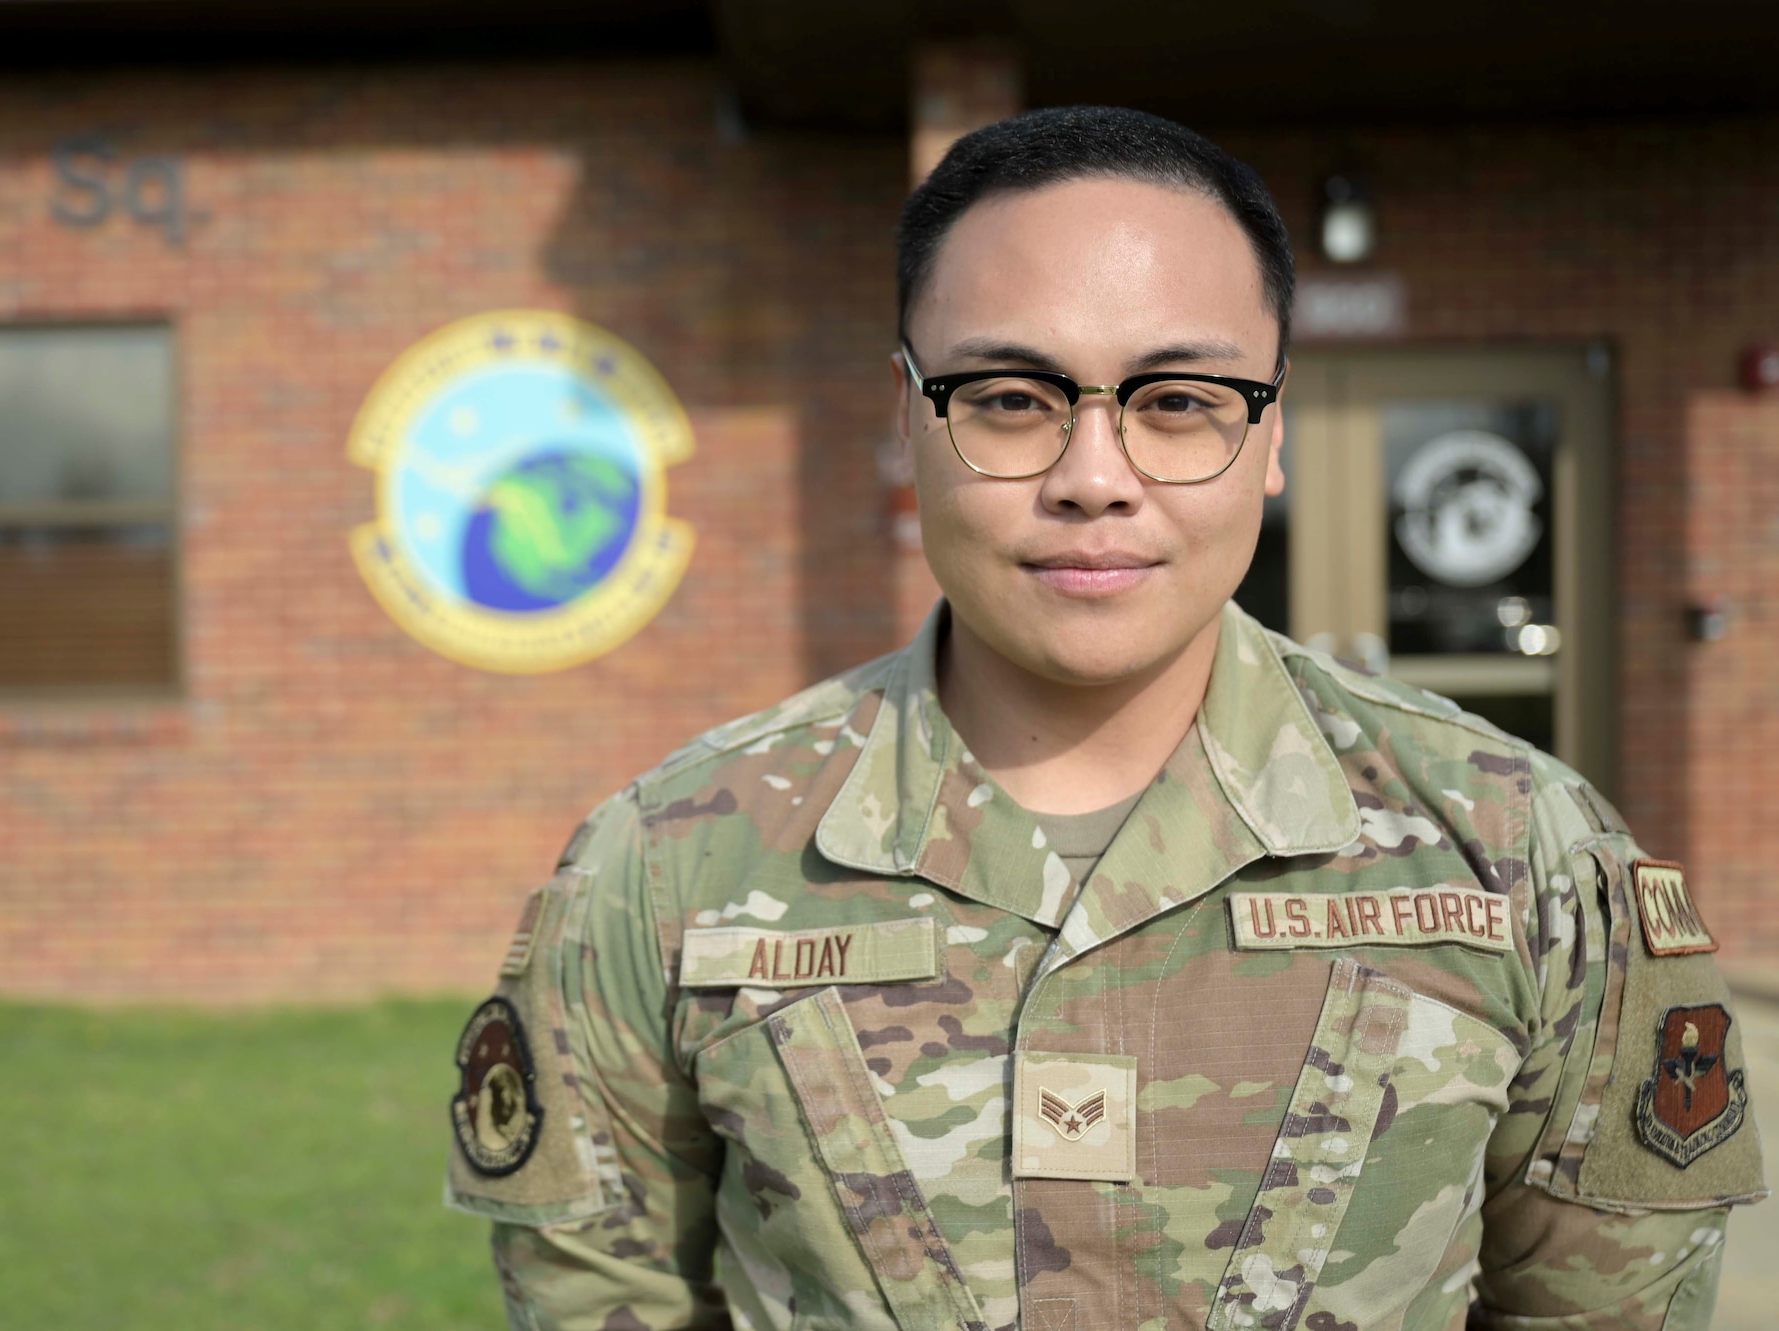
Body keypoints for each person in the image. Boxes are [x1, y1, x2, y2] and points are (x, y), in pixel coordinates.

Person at [444, 106, 1766, 1331]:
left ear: (1273, 436)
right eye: (1010, 400)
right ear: (906, 416)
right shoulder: (672, 865)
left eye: (1179, 402)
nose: (1093, 478)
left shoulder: (1525, 853)